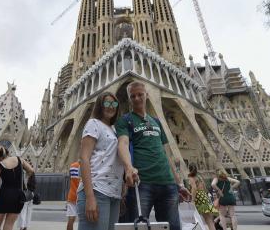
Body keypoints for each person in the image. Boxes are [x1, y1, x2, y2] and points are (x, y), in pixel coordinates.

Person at [116, 81, 191, 230]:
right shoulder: (125, 120)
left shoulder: (156, 122)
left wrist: (179, 183)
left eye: (140, 94)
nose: (137, 98)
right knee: (138, 226)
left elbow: (165, 153)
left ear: (147, 95)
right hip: (142, 183)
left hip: (167, 183)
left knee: (173, 227)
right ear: (129, 99)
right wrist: (129, 167)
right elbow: (123, 144)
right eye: (133, 96)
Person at [77, 92, 124, 230]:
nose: (111, 107)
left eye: (114, 103)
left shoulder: (115, 130)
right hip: (97, 190)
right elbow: (84, 158)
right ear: (100, 105)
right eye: (107, 103)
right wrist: (90, 197)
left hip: (113, 193)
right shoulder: (93, 123)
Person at [0, 147, 34, 230]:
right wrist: (25, 178)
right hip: (18, 196)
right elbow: (31, 170)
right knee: (9, 225)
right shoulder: (20, 160)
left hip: (4, 196)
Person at [188, 165, 217, 230]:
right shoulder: (199, 176)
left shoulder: (191, 177)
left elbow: (194, 188)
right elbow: (204, 186)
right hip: (204, 195)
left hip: (198, 197)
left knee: (201, 218)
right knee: (209, 219)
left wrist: (192, 200)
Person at [66, 161, 80, 230]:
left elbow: (70, 179)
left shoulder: (72, 166)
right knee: (84, 220)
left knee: (71, 219)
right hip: (82, 196)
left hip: (72, 195)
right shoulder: (87, 166)